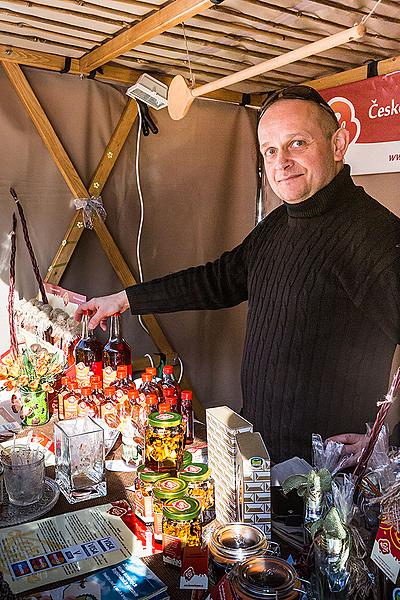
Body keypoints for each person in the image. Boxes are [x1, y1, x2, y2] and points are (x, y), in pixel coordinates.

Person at [75, 85, 400, 465]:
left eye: (298, 143)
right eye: (271, 150)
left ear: (338, 144)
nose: (282, 162)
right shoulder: (278, 225)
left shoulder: (375, 235)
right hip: (262, 454)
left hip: (330, 478)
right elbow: (216, 281)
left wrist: (390, 447)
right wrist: (125, 299)